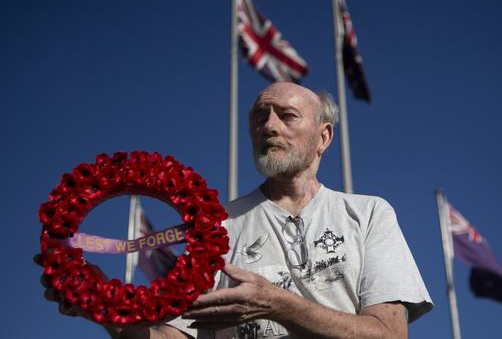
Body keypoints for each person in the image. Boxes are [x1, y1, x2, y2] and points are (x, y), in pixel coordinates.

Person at [40, 82, 432, 338]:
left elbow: (388, 335)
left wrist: (275, 304)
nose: (269, 126)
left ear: (323, 136)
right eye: (260, 117)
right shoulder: (215, 227)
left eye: (286, 115)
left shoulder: (368, 214)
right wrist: (101, 308)